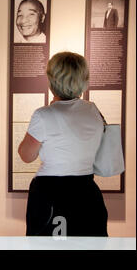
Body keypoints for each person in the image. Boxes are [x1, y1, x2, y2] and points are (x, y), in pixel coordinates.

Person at [18, 51, 108, 236]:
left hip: (50, 193)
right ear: (83, 79)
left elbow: (26, 155)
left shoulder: (44, 115)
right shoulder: (93, 110)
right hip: (86, 191)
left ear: (52, 80)